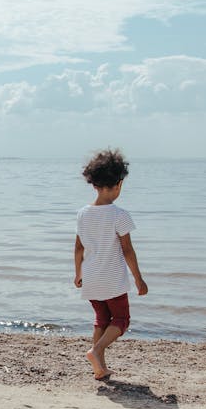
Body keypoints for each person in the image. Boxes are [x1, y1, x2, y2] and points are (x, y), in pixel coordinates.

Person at [73, 148, 148, 380]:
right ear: (119, 184)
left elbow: (78, 247)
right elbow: (127, 249)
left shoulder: (83, 214)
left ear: (93, 184)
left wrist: (77, 273)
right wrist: (138, 278)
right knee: (121, 320)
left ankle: (99, 367)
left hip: (91, 277)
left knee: (101, 320)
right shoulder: (119, 214)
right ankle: (96, 351)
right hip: (112, 279)